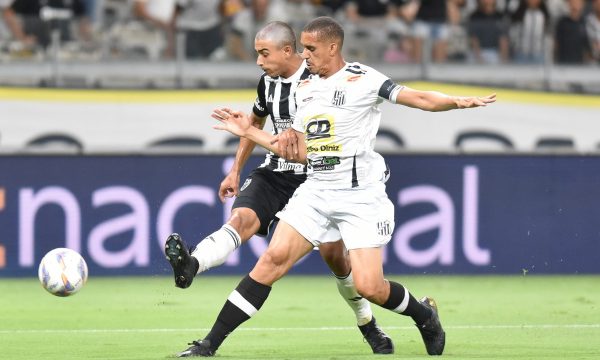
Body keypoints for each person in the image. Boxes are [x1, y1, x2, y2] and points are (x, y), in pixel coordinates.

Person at [172, 16, 496, 357]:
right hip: (317, 191)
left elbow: (418, 97)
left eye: (310, 49)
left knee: (369, 286)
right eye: (303, 48)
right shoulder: (306, 88)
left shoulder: (363, 78)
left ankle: (424, 315)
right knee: (271, 262)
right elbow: (293, 151)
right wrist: (249, 131)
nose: (305, 55)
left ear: (333, 47)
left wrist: (456, 102)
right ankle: (208, 345)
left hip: (360, 196)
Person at [164, 20, 394, 356]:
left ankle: (367, 323)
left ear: (288, 51)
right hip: (275, 172)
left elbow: (317, 138)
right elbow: (255, 124)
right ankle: (191, 265)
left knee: (337, 260)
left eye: (263, 53)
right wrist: (236, 169)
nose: (258, 60)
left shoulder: (320, 80)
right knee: (241, 220)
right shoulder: (267, 84)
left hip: (316, 178)